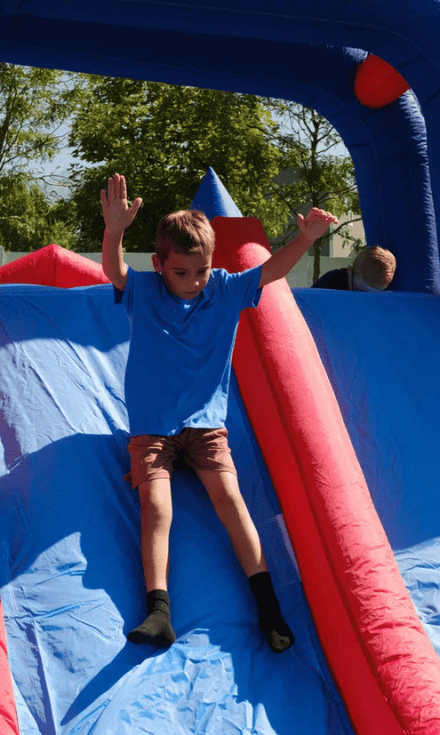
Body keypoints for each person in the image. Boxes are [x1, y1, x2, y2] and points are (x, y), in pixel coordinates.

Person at [100, 174, 338, 652]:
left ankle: (269, 610)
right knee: (157, 506)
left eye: (202, 271)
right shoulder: (145, 291)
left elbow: (271, 272)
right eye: (181, 272)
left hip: (206, 424)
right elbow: (114, 270)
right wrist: (114, 230)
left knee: (231, 501)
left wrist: (306, 237)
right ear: (160, 263)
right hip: (153, 429)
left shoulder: (224, 290)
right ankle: (159, 610)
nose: (192, 283)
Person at [312, 245, 396, 291]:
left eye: (372, 293)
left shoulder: (383, 287)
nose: (364, 296)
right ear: (350, 271)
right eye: (360, 289)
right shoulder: (331, 282)